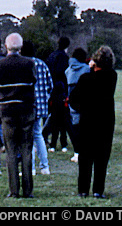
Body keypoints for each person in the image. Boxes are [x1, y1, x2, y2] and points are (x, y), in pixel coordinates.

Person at [69, 45, 117, 199]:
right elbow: (104, 75)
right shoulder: (112, 77)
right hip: (106, 121)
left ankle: (83, 190)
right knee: (102, 157)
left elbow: (73, 99)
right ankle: (98, 190)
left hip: (88, 120)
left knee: (85, 158)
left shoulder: (85, 78)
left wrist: (82, 108)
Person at [0, 33, 36, 199]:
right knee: (26, 149)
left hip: (8, 111)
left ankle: (13, 190)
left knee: (11, 150)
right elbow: (33, 81)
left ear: (6, 46)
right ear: (21, 46)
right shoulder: (29, 63)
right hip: (26, 109)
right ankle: (28, 190)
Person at [21, 40, 52, 177]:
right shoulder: (42, 64)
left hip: (26, 105)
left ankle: (30, 168)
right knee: (38, 135)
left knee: (27, 138)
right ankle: (44, 166)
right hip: (40, 106)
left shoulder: (22, 65)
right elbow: (50, 85)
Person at [44, 36, 70, 152]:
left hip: (51, 91)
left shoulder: (51, 56)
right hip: (61, 91)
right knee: (63, 118)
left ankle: (52, 143)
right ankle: (63, 143)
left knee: (53, 118)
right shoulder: (64, 57)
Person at [66, 47, 90, 163]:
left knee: (75, 128)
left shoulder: (68, 70)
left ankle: (77, 153)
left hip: (72, 102)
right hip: (85, 102)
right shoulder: (86, 69)